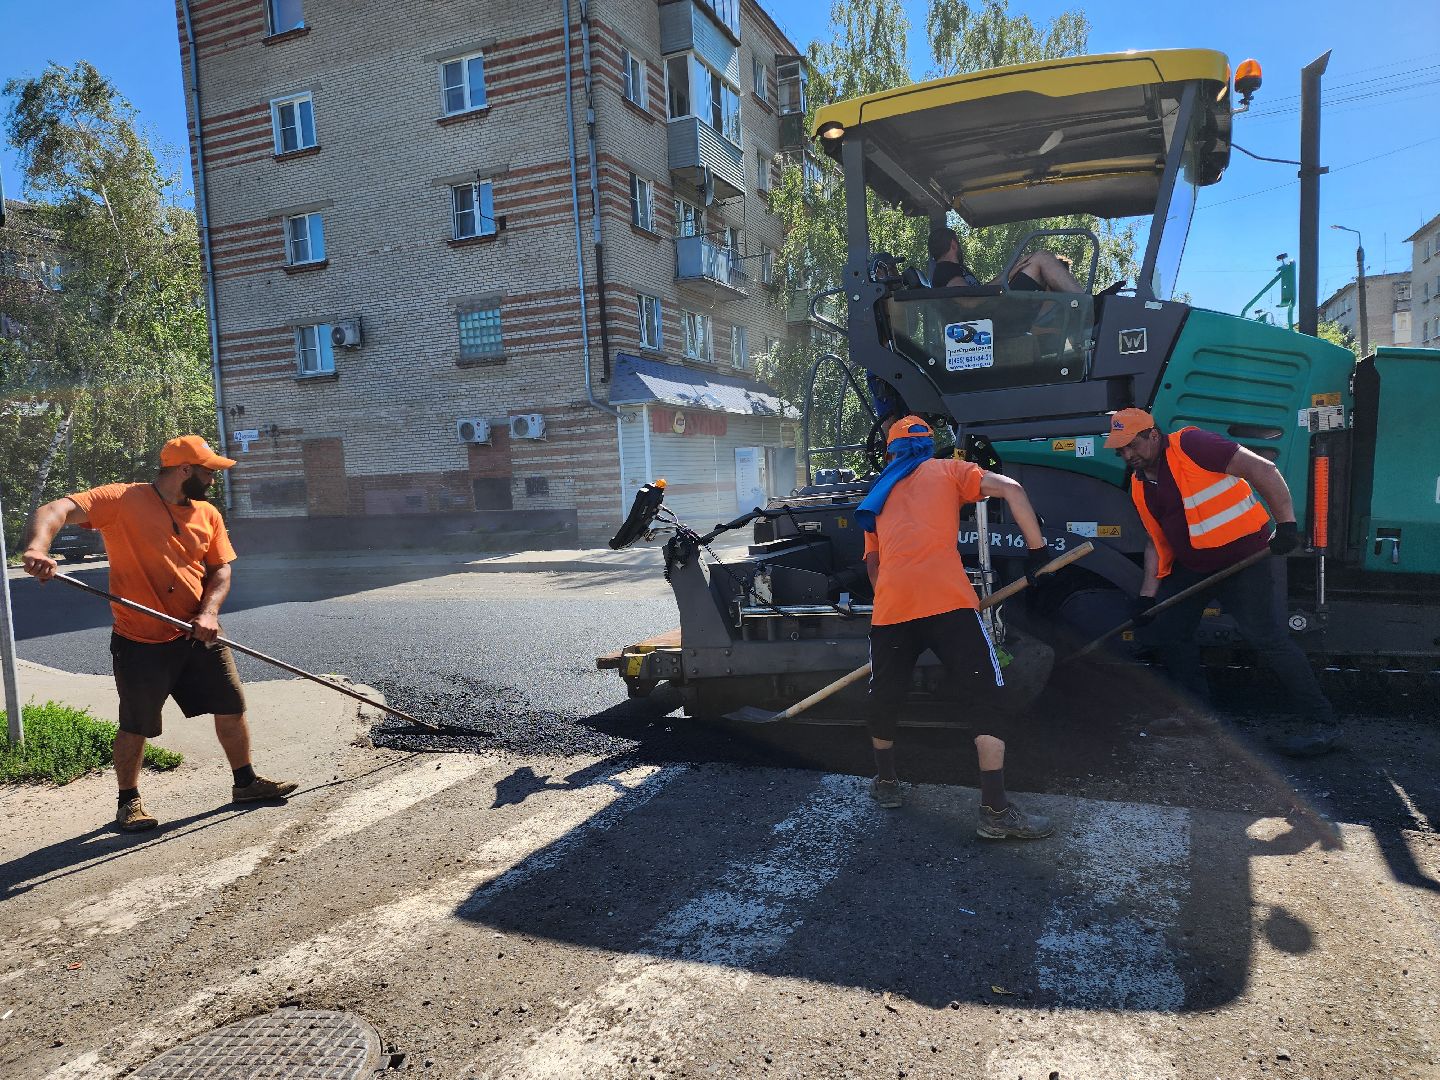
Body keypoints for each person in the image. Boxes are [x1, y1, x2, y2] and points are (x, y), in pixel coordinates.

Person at [20, 435, 298, 831]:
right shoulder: (122, 500)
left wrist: (210, 612)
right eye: (209, 471)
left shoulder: (208, 514)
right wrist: (37, 548)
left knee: (231, 706)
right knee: (137, 724)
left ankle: (246, 782)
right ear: (185, 470)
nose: (214, 479)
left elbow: (220, 569)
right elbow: (55, 508)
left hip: (198, 633)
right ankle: (128, 802)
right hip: (141, 640)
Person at [855, 415, 1056, 840]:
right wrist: (1037, 552)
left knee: (885, 694)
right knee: (986, 695)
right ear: (931, 446)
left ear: (890, 451)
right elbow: (1012, 489)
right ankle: (995, 811)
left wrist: (894, 592)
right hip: (949, 603)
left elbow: (873, 563)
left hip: (892, 610)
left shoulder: (878, 493)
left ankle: (886, 783)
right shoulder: (950, 470)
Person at [1104, 408, 1341, 756]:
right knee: (1170, 631)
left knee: (1267, 638)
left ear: (1153, 435)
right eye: (1120, 450)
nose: (1127, 455)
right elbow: (1156, 542)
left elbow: (1263, 469)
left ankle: (1323, 723)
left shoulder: (1191, 444)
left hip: (1243, 562)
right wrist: (1146, 597)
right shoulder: (1141, 486)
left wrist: (1286, 524)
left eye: (1132, 445)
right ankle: (1198, 716)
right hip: (1195, 565)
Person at [928, 226, 1084, 292]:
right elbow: (967, 299)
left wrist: (1010, 272)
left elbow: (976, 293)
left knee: (1032, 261)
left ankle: (1079, 308)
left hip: (991, 316)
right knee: (1042, 258)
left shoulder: (953, 270)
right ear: (954, 244)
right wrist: (1008, 275)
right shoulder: (945, 270)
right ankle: (1088, 304)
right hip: (991, 320)